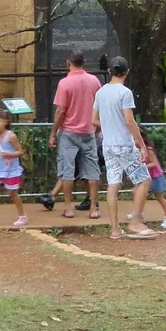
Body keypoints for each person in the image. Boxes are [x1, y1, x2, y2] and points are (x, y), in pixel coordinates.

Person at [93, 58, 157, 240]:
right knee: (144, 179)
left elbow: (93, 120)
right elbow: (129, 121)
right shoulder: (125, 92)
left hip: (108, 145)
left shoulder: (101, 92)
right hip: (124, 144)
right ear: (126, 72)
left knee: (113, 184)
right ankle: (135, 221)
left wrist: (109, 125)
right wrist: (142, 145)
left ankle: (114, 229)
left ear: (109, 71)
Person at [47, 52, 102, 218]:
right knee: (92, 170)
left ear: (68, 62)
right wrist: (98, 126)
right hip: (89, 131)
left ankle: (68, 208)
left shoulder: (65, 83)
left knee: (67, 171)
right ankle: (93, 208)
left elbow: (60, 111)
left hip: (69, 133)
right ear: (84, 62)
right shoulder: (95, 81)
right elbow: (99, 105)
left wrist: (53, 133)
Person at [136, 126, 166, 231]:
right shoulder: (138, 149)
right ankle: (138, 212)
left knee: (159, 197)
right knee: (138, 193)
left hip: (155, 176)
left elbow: (154, 164)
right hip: (147, 176)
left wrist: (141, 167)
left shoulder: (148, 149)